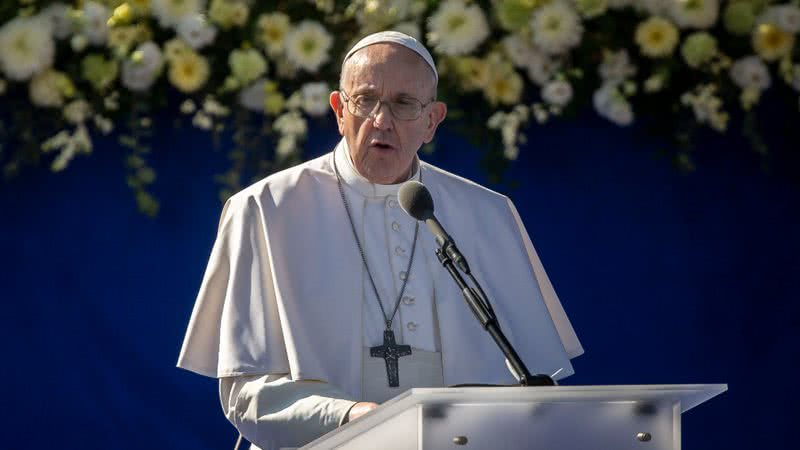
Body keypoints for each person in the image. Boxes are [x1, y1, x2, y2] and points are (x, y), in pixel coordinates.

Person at [177, 31, 583, 450]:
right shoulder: (265, 209)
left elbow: (533, 387)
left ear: (432, 120)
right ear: (338, 109)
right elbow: (247, 395)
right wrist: (356, 420)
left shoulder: (487, 214)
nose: (381, 120)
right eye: (365, 100)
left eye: (404, 104)